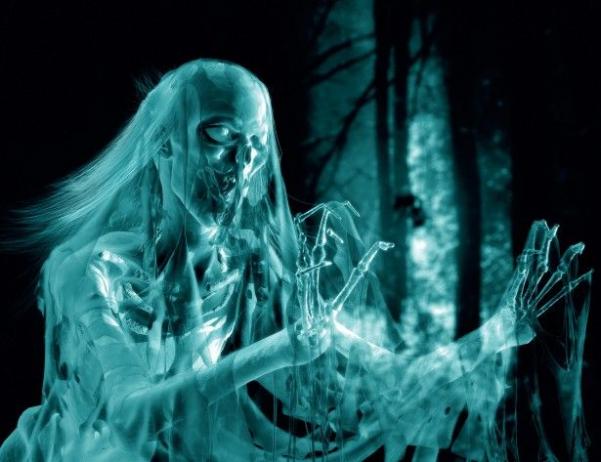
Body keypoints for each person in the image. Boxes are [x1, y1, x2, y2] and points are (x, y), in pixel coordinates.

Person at [0, 59, 590, 462]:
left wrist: (499, 331)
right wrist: (275, 351)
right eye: (219, 138)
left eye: (255, 148)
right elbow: (129, 419)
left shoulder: (246, 271)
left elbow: (393, 384)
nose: (241, 167)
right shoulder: (90, 272)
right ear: (164, 145)